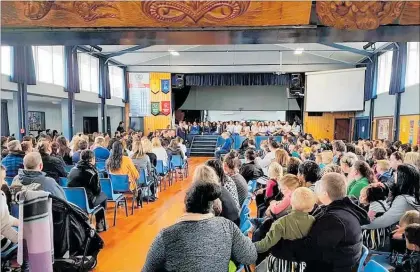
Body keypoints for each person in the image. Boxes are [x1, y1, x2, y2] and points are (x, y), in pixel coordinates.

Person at [142, 179, 257, 272]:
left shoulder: (166, 236)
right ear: (212, 206)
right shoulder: (227, 226)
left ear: (185, 206)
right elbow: (250, 256)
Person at [270, 173, 370, 272]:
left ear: (325, 193)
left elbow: (307, 250)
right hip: (339, 263)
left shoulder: (334, 220)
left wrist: (275, 245)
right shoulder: (345, 209)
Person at [254, 187, 317, 253]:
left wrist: (250, 246)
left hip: (281, 258)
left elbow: (265, 245)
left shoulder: (280, 223)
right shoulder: (313, 220)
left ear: (291, 202)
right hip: (302, 258)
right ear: (311, 208)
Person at [363, 164, 420, 230]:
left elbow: (384, 221)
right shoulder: (412, 196)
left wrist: (361, 225)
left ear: (402, 178)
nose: (394, 174)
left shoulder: (403, 200)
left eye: (396, 173)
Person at [67, 150, 107, 232]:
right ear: (92, 159)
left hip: (70, 201)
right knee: (103, 196)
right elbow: (97, 191)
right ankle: (100, 223)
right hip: (87, 202)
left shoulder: (72, 169)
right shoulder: (93, 172)